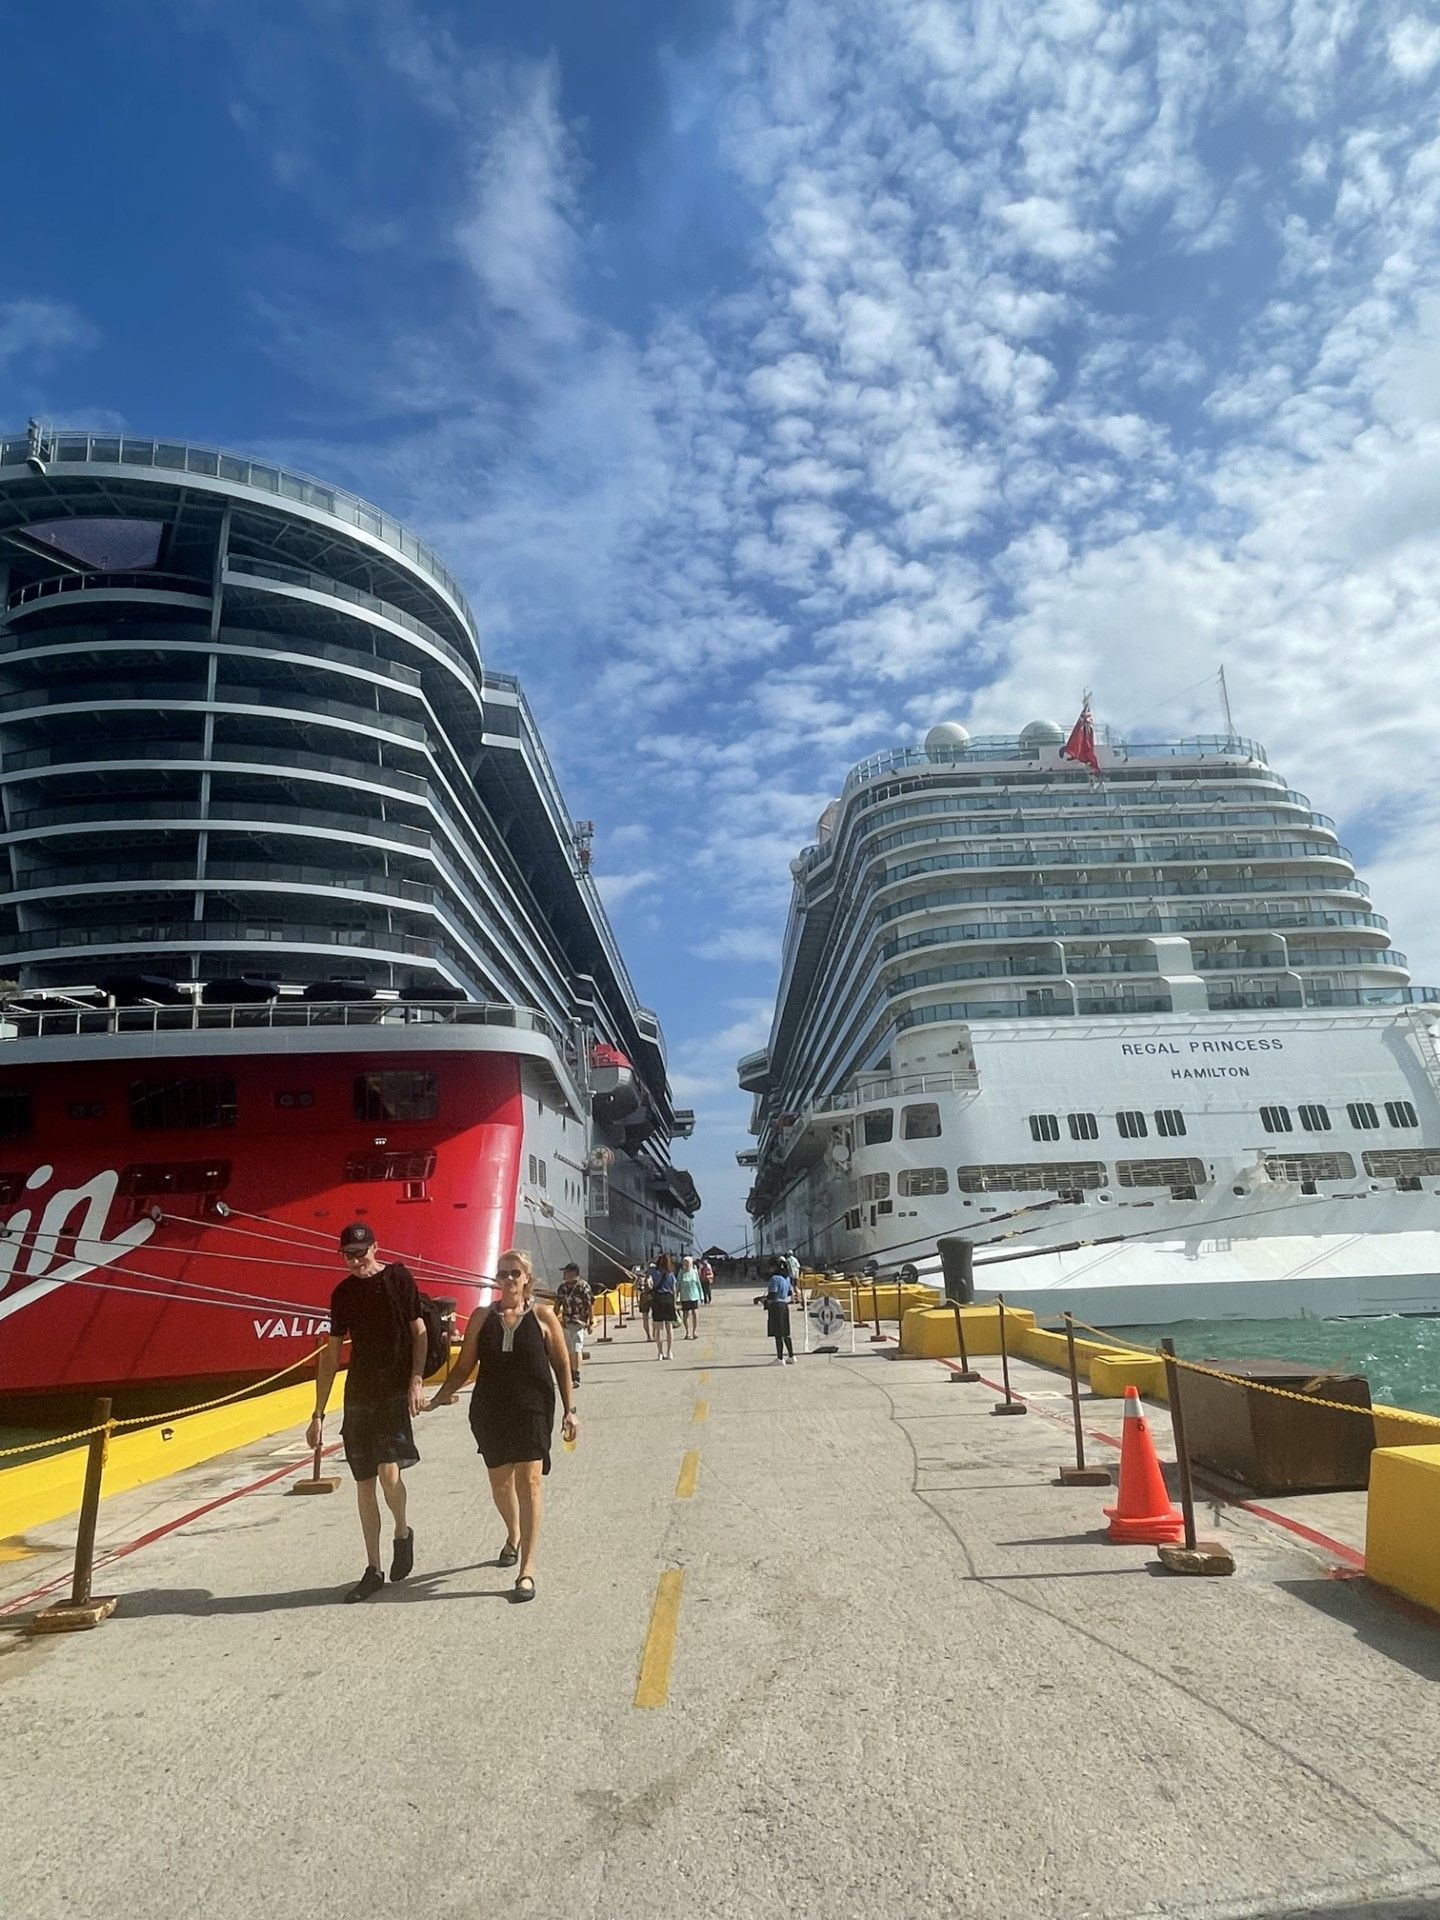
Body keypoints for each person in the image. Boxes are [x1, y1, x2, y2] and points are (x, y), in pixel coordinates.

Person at [426, 1249, 576, 1601]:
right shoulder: (482, 1317)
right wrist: (437, 1398)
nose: (508, 1279)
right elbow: (464, 1367)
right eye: (502, 1273)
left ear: (527, 1279)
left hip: (533, 1409)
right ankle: (513, 1533)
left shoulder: (543, 1316)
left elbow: (561, 1364)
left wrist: (570, 1410)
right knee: (500, 1483)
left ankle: (527, 1570)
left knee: (530, 1482)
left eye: (515, 1273)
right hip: (490, 1411)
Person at [308, 1222, 427, 1602]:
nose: (356, 1261)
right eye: (348, 1255)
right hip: (359, 1392)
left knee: (389, 1474)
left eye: (361, 1253)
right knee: (364, 1483)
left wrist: (416, 1380)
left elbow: (419, 1332)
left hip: (392, 1390)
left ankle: (402, 1531)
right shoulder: (342, 1294)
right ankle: (373, 1569)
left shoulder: (398, 1279)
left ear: (376, 1247)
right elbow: (331, 1355)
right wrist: (318, 1413)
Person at [554, 1260, 593, 1389]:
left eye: (565, 1272)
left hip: (579, 1322)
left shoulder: (583, 1286)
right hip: (566, 1322)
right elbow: (557, 1305)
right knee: (568, 1349)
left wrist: (591, 1322)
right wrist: (553, 1320)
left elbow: (589, 1304)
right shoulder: (562, 1288)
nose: (564, 1274)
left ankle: (576, 1375)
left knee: (576, 1348)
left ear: (572, 1273)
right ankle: (571, 1373)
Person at [760, 1258, 796, 1365]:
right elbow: (789, 1292)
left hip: (776, 1306)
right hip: (784, 1305)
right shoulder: (787, 1278)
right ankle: (791, 1356)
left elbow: (773, 1294)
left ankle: (780, 1358)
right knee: (786, 1333)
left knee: (778, 1333)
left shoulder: (774, 1278)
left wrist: (763, 1299)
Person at [649, 1253, 677, 1360]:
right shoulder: (671, 1274)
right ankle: (669, 1352)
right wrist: (674, 1303)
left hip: (657, 1299)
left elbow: (645, 1267)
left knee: (658, 1328)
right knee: (669, 1327)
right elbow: (674, 1290)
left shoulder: (654, 1272)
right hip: (668, 1298)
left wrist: (653, 1259)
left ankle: (660, 1353)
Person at [676, 1255, 703, 1339]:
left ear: (691, 1263)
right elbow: (678, 1285)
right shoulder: (681, 1273)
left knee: (695, 1313)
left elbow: (698, 1284)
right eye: (685, 1263)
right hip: (685, 1296)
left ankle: (694, 1331)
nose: (686, 1264)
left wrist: (701, 1295)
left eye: (687, 1263)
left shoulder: (694, 1272)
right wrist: (677, 1296)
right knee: (685, 1314)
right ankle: (687, 1332)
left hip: (694, 1296)